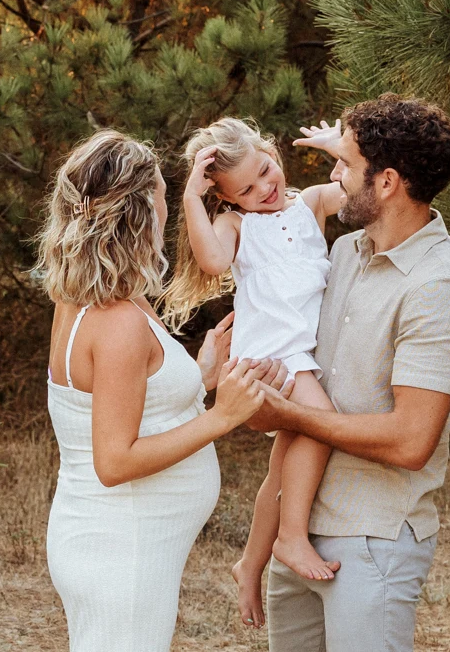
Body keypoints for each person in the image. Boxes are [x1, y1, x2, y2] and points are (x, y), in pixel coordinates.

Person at [250, 95, 450, 652]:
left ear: (386, 183)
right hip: (300, 528)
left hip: (373, 539)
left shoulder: (439, 286)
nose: (334, 174)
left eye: (345, 165)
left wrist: (289, 413)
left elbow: (410, 441)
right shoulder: (348, 250)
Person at [41, 128, 289, 652]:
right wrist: (221, 417)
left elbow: (121, 401)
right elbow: (115, 460)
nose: (167, 214)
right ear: (138, 214)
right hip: (122, 552)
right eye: (160, 199)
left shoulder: (91, 296)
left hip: (106, 540)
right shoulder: (117, 322)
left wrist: (199, 378)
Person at [166, 116, 348, 630]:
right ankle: (291, 535)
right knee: (322, 423)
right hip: (268, 356)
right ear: (226, 200)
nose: (264, 189)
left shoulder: (310, 203)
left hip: (299, 352)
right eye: (245, 189)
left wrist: (342, 148)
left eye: (266, 171)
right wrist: (189, 200)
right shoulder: (236, 227)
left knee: (284, 460)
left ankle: (250, 561)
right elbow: (211, 259)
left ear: (272, 152)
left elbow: (362, 187)